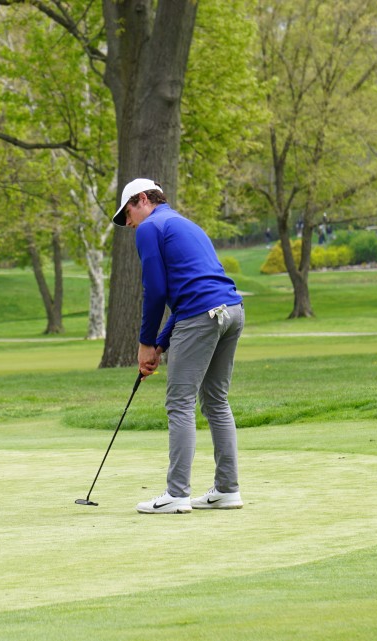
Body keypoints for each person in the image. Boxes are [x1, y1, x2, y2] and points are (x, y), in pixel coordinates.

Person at [112, 178, 245, 514]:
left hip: (202, 314)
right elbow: (188, 297)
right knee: (216, 400)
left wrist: (145, 344)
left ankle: (177, 494)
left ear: (143, 199)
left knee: (180, 403)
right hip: (231, 311)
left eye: (127, 213)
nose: (128, 223)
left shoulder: (150, 228)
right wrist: (160, 344)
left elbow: (155, 291)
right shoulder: (186, 225)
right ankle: (227, 490)